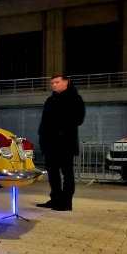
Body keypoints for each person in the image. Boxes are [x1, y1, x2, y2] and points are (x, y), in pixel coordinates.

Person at [36, 75, 85, 211]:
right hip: (49, 144)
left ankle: (66, 202)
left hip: (65, 144)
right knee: (52, 173)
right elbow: (44, 120)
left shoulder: (75, 99)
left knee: (67, 173)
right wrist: (42, 135)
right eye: (52, 83)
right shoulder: (50, 100)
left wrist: (60, 131)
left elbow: (78, 119)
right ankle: (55, 199)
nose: (54, 85)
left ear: (66, 82)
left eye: (57, 82)